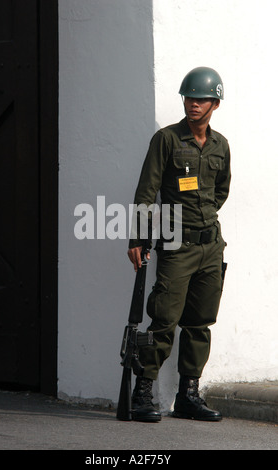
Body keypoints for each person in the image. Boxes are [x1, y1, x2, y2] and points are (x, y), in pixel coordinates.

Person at [127, 67, 231, 422]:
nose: (193, 104)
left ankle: (188, 394)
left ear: (215, 103)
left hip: (211, 247)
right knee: (163, 320)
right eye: (188, 98)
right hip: (176, 245)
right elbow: (146, 192)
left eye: (201, 99)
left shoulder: (220, 146)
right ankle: (143, 392)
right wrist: (139, 238)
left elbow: (221, 192)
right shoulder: (167, 140)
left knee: (200, 323)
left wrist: (204, 223)